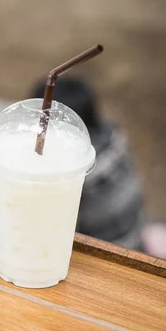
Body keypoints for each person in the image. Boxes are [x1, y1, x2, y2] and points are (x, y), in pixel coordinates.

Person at [31, 77, 145, 249]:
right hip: (136, 228)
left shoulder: (76, 164)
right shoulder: (112, 134)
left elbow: (45, 222)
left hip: (109, 249)